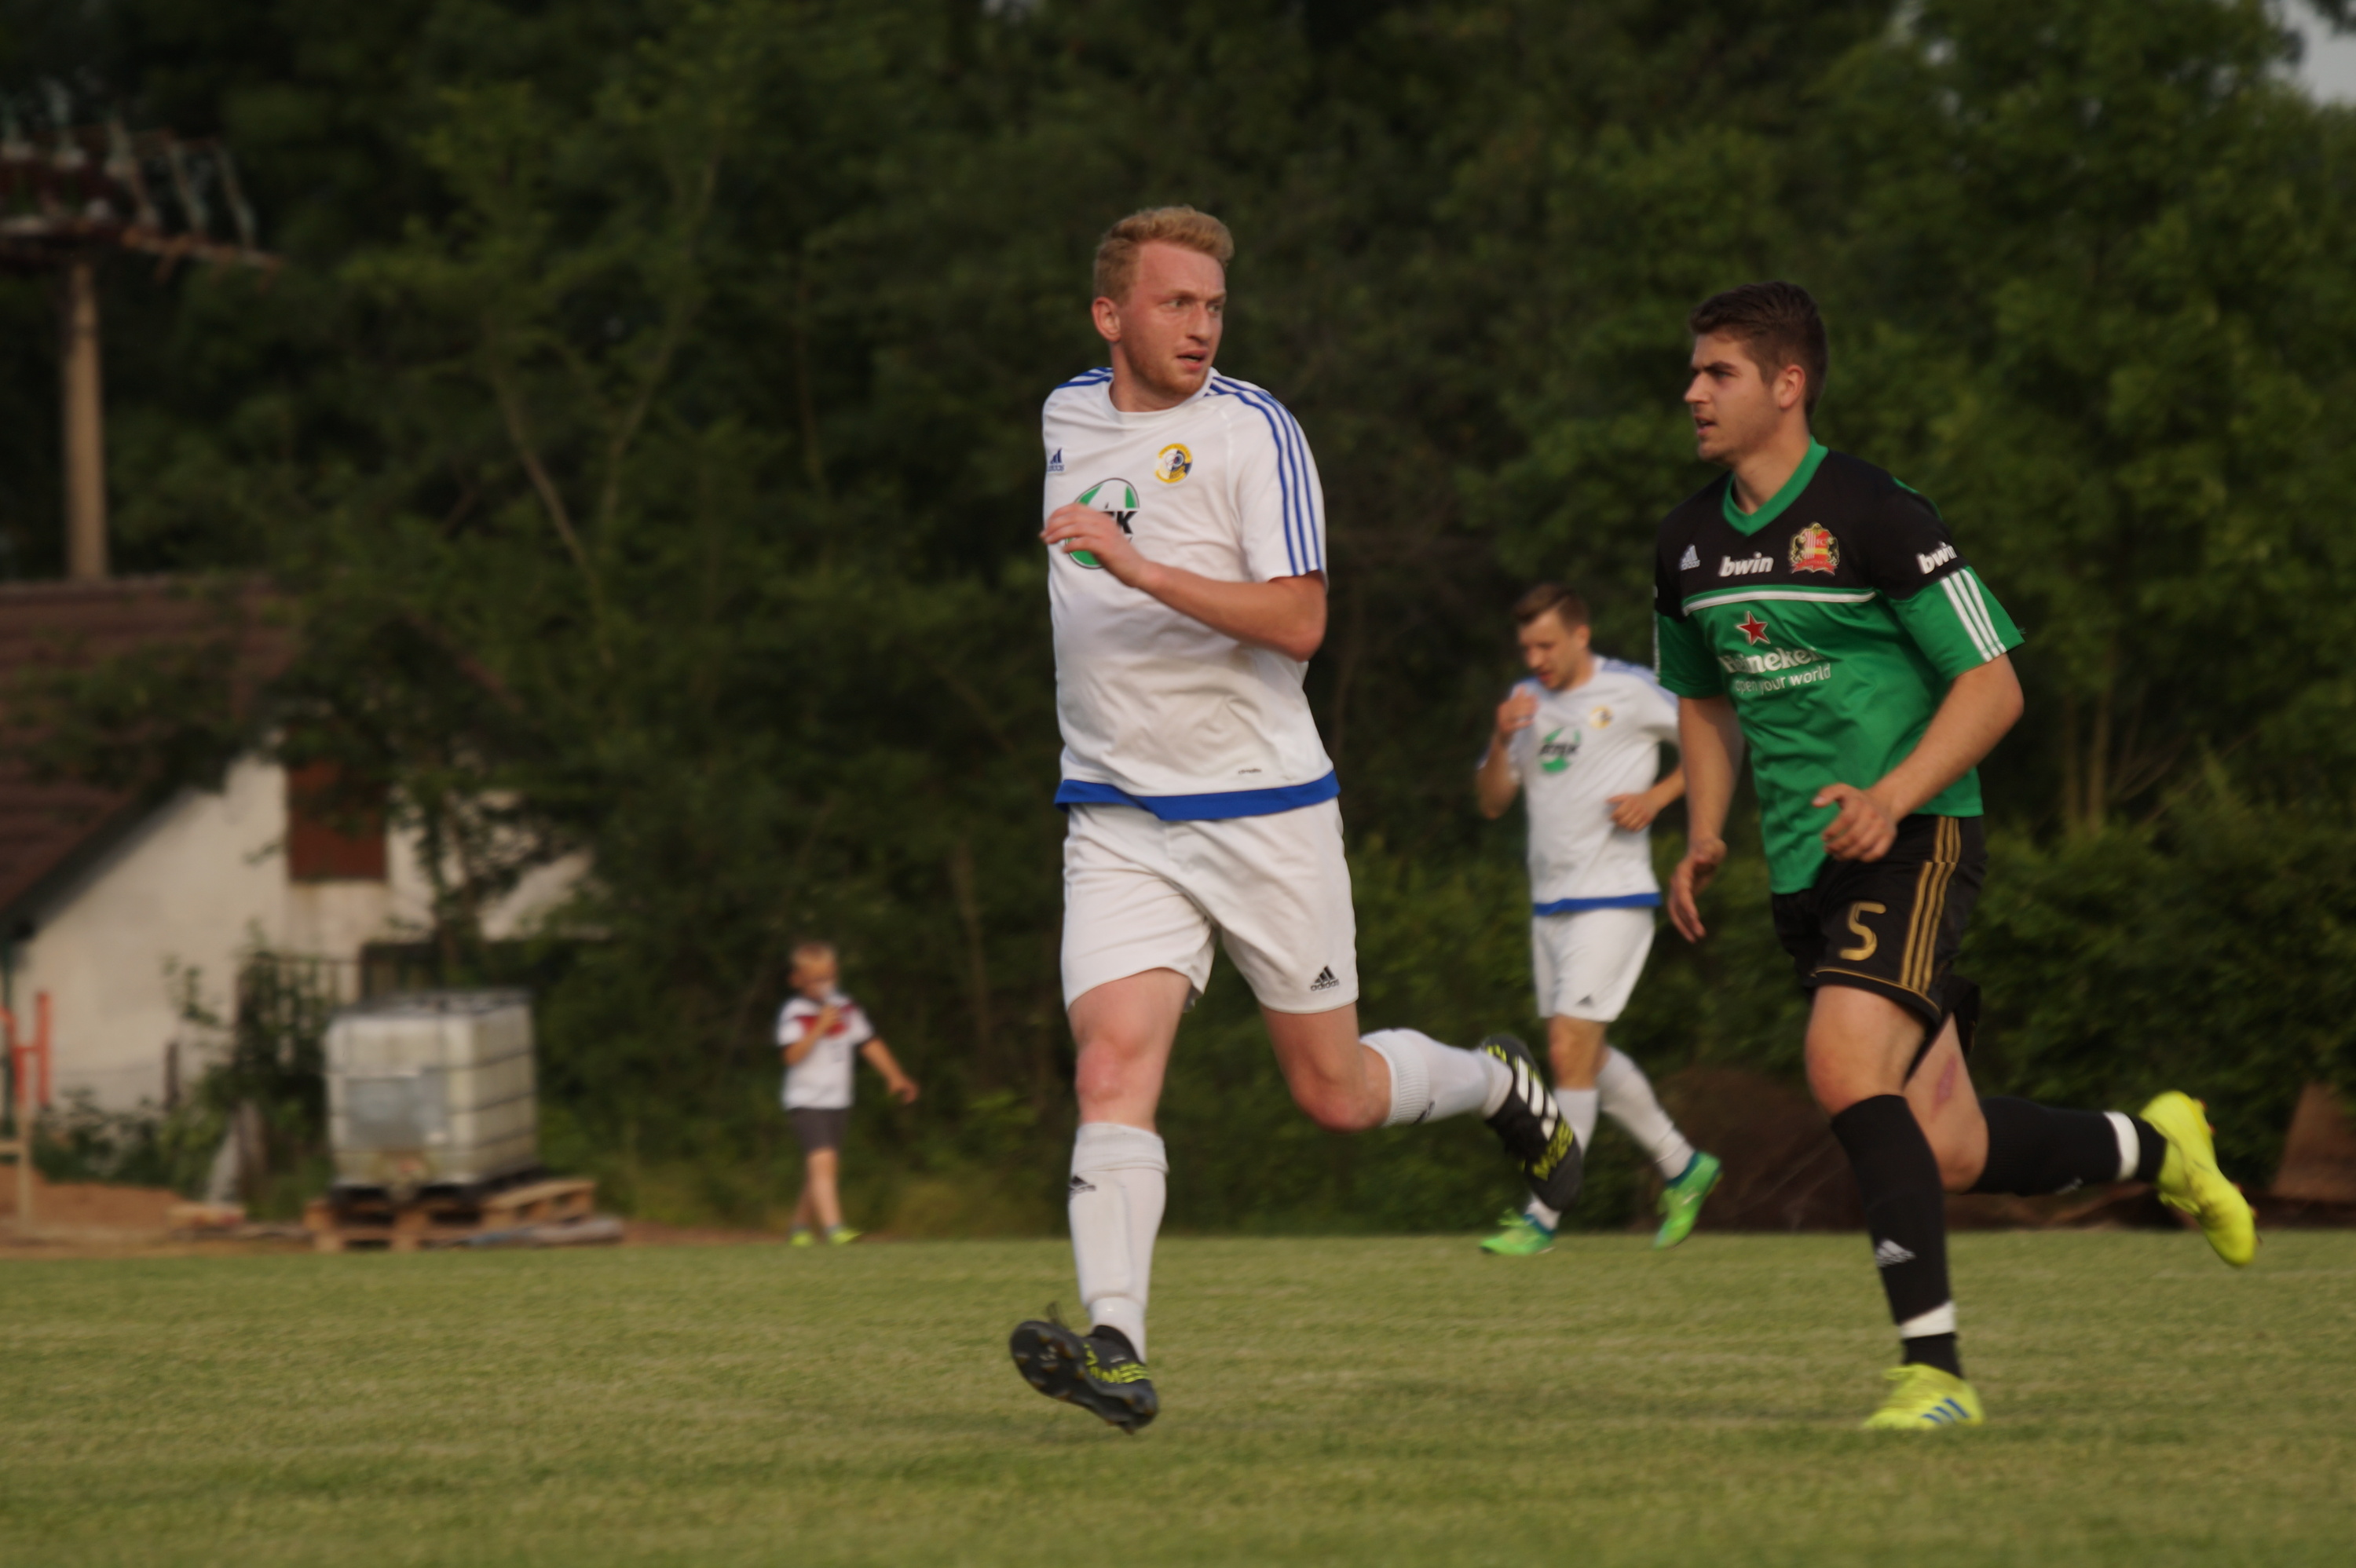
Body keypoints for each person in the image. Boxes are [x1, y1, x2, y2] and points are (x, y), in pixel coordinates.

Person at [1008, 206, 1577, 1434]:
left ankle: (1493, 1084)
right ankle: (1116, 1345)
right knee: (1110, 1066)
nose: (1202, 326)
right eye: (1176, 303)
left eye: (1214, 305)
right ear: (1110, 315)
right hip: (1114, 812)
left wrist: (1141, 566)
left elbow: (1303, 621)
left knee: (1335, 1093)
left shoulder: (1254, 429)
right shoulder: (1066, 414)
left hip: (1264, 812)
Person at [1654, 280, 2255, 1430]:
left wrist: (1891, 797)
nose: (1693, 392)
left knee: (1844, 1063)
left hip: (1917, 839)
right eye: (1694, 371)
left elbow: (1995, 684)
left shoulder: (1877, 511)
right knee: (1950, 1144)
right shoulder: (1684, 540)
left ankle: (1934, 1374)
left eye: (1718, 371)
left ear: (1789, 384)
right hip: (1805, 872)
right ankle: (2161, 1146)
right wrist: (1707, 832)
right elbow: (1704, 698)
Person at [1472, 583, 1723, 1256]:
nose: (1536, 658)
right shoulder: (1524, 702)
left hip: (1614, 897)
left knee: (1566, 1050)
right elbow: (1492, 801)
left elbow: (1715, 735)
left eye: (1547, 644)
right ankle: (1684, 1165)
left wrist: (1659, 796)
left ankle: (1543, 1215)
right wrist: (1500, 737)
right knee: (1583, 1052)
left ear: (1581, 635)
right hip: (1547, 908)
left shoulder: (1633, 689)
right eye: (1527, 647)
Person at [778, 940, 918, 1247]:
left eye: (829, 977)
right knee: (824, 1161)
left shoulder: (847, 1008)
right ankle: (834, 1229)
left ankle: (799, 1227)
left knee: (821, 1169)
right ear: (797, 980)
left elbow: (868, 1042)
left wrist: (895, 1076)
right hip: (806, 1100)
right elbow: (791, 1057)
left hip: (838, 1100)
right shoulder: (794, 1012)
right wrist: (819, 1027)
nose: (824, 985)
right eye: (816, 979)